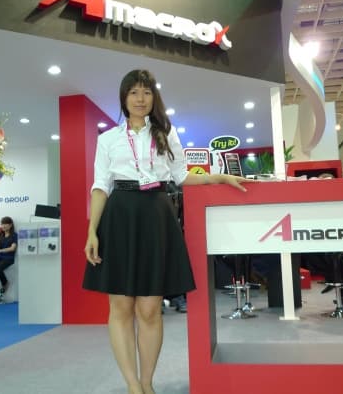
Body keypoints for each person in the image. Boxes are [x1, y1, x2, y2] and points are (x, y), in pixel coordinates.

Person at [82, 69, 250, 394]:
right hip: (119, 217)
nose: (140, 99)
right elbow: (100, 186)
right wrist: (92, 231)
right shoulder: (108, 139)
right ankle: (133, 386)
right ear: (124, 97)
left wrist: (218, 177)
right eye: (134, 92)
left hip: (156, 215)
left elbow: (181, 176)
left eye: (146, 92)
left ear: (154, 98)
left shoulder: (166, 133)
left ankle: (148, 382)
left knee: (149, 308)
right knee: (120, 307)